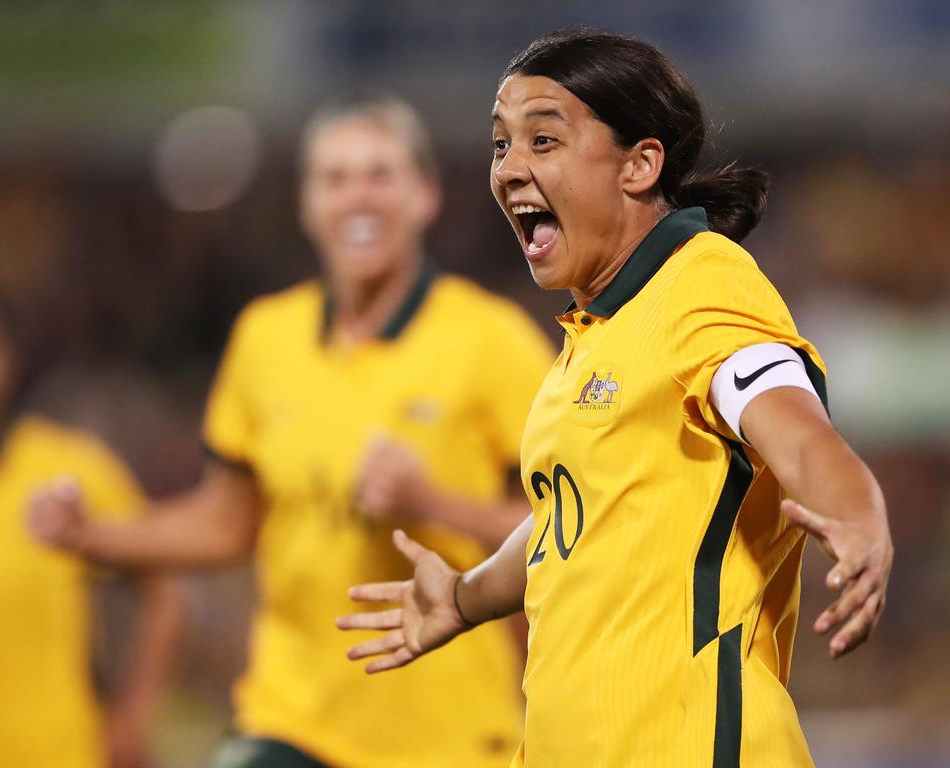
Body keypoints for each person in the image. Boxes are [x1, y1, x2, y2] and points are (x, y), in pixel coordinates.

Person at [337, 30, 894, 767]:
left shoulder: (703, 287)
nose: (510, 170)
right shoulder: (594, 334)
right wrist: (465, 598)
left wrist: (859, 518)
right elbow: (573, 526)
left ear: (640, 165)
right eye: (501, 146)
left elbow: (798, 432)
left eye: (544, 140)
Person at [28, 91, 554, 768]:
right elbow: (225, 523)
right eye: (335, 178)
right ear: (308, 203)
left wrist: (433, 504)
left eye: (379, 175)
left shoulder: (492, 341)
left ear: (424, 195)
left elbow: (562, 526)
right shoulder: (264, 338)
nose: (357, 198)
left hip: (444, 731)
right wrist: (92, 534)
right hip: (289, 715)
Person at [0, 279, 179, 768]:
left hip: (60, 753)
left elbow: (162, 590)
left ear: (7, 360)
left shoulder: (68, 470)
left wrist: (134, 714)